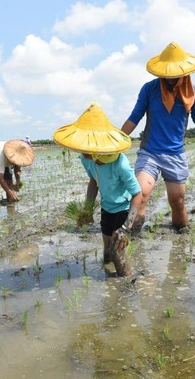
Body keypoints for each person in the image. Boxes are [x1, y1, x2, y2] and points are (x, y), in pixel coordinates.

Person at [120, 42, 195, 232]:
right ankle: (130, 235)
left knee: (177, 201)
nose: (170, 80)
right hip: (149, 153)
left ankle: (182, 230)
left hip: (175, 154)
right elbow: (134, 117)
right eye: (166, 75)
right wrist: (116, 142)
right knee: (141, 194)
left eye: (174, 75)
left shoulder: (193, 93)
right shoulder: (149, 89)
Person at [53, 102, 142, 277]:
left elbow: (137, 193)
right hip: (107, 208)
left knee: (118, 252)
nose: (83, 150)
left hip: (123, 209)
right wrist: (87, 209)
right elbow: (94, 181)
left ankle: (127, 283)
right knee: (107, 251)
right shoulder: (87, 159)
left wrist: (127, 226)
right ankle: (109, 278)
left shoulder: (120, 164)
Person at [0, 140, 34, 204]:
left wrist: (18, 181)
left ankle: (11, 205)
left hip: (3, 160)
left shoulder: (18, 155)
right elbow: (0, 178)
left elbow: (17, 168)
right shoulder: (2, 156)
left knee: (9, 183)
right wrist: (10, 192)